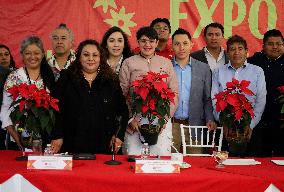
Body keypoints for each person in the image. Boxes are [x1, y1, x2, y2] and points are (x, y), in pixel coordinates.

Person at [51, 39, 129, 154]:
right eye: (86, 55)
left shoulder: (111, 81)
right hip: (72, 143)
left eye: (95, 55)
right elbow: (54, 108)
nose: (90, 59)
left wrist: (119, 136)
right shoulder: (66, 78)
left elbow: (123, 111)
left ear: (100, 58)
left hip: (104, 144)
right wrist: (57, 135)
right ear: (79, 58)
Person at [120, 26, 178, 156]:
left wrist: (165, 118)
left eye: (151, 41)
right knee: (134, 163)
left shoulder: (166, 63)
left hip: (160, 122)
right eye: (143, 41)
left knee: (160, 164)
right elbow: (122, 93)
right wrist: (130, 119)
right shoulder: (129, 63)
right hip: (135, 123)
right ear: (138, 42)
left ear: (157, 43)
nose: (147, 45)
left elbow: (174, 93)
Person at [212, 35, 266, 154]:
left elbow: (261, 100)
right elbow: (215, 100)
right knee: (225, 166)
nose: (236, 52)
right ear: (227, 52)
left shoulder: (257, 71)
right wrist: (224, 124)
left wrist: (250, 125)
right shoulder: (218, 72)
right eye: (232, 49)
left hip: (251, 127)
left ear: (247, 51)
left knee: (251, 166)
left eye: (240, 49)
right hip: (227, 129)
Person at [0, 36, 55, 150]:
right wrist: (14, 135)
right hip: (18, 137)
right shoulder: (14, 77)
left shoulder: (50, 76)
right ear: (22, 55)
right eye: (28, 53)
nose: (32, 57)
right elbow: (5, 108)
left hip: (46, 137)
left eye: (36, 53)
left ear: (43, 54)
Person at [171, 28, 216, 153]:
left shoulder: (203, 68)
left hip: (195, 124)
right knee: (170, 164)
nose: (181, 47)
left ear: (191, 45)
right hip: (171, 125)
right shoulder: (166, 67)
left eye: (185, 43)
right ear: (172, 46)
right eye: (177, 44)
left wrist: (210, 119)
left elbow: (207, 98)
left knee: (195, 163)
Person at [247, 29, 284, 156]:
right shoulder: (253, 62)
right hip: (258, 120)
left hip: (281, 119)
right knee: (258, 156)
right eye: (270, 44)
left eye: (278, 44)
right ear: (263, 46)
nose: (275, 47)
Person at [0, 44, 16, 149]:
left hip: (15, 121)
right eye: (0, 55)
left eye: (6, 54)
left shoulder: (19, 74)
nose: (4, 57)